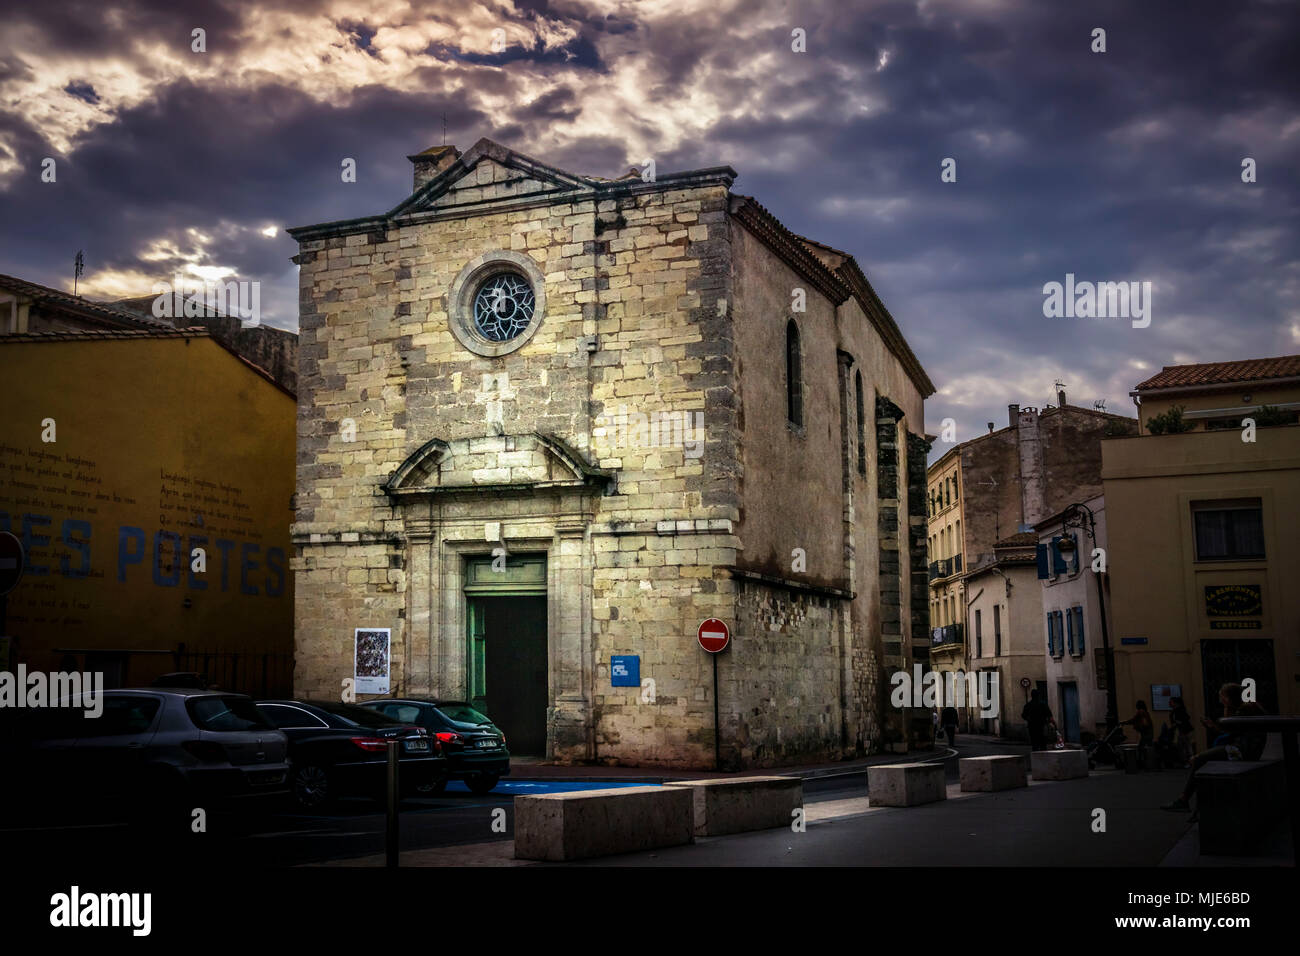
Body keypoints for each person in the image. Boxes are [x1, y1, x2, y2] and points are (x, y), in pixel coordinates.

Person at [1162, 683, 1266, 814]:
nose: (1220, 699)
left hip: (1243, 751)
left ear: (1228, 698)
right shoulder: (1243, 708)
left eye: (1222, 696)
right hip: (1243, 749)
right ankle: (1188, 803)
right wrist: (1212, 726)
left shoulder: (1244, 709)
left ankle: (1184, 800)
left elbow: (1229, 728)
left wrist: (1225, 709)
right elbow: (1230, 731)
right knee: (1201, 761)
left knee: (1199, 759)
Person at [1121, 700, 1155, 767]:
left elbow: (1134, 720)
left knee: (1142, 748)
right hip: (1148, 733)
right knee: (1145, 748)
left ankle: (1143, 763)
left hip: (1145, 733)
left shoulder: (1141, 712)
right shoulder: (1145, 712)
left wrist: (1124, 722)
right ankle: (1147, 763)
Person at [1169, 696, 1196, 767]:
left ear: (1175, 703)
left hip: (1184, 731)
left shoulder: (1179, 710)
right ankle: (1188, 761)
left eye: (1171, 702)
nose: (1169, 703)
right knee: (1185, 746)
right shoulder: (1177, 711)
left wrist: (1177, 723)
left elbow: (1184, 720)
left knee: (1186, 746)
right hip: (1182, 731)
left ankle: (1189, 761)